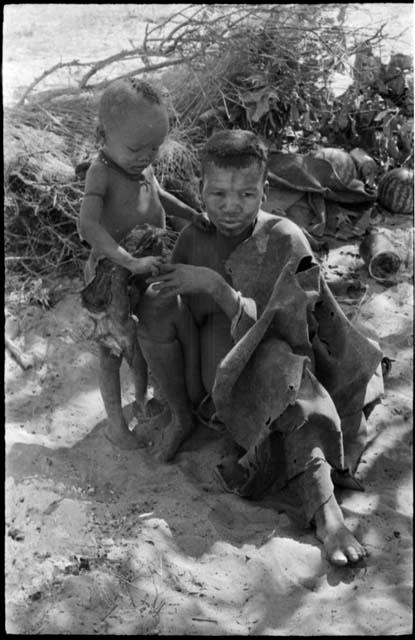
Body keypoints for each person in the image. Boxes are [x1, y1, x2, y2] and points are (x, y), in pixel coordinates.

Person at [135, 129, 384, 566]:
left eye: (247, 194)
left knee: (284, 378)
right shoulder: (194, 237)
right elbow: (174, 313)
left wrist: (217, 287)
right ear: (201, 191)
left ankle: (327, 514)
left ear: (265, 192)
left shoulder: (285, 239)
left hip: (261, 381)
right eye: (219, 194)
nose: (231, 206)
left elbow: (294, 338)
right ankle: (180, 417)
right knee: (155, 305)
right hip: (205, 384)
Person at [79, 77, 209, 450]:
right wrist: (127, 260)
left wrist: (189, 212)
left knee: (140, 342)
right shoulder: (100, 172)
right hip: (111, 276)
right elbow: (88, 225)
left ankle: (140, 400)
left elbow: (158, 193)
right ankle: (115, 424)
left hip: (145, 264)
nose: (146, 157)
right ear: (103, 136)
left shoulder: (141, 167)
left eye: (154, 149)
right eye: (137, 148)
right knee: (111, 351)